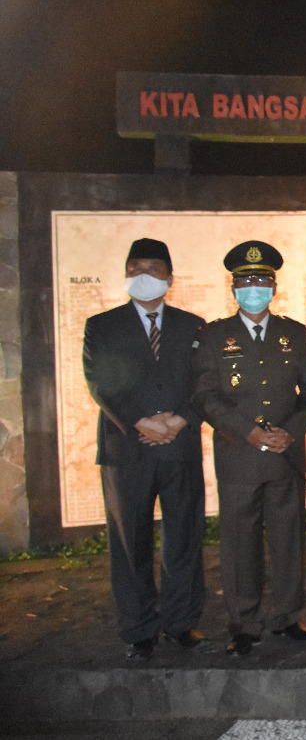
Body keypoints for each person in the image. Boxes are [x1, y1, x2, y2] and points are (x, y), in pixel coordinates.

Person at [191, 241, 306, 656]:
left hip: (285, 455)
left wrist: (291, 432)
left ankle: (285, 617)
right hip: (239, 455)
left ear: (274, 286)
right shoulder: (214, 335)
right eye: (246, 281)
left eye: (262, 280)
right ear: (233, 288)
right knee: (239, 540)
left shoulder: (294, 333)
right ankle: (243, 622)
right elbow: (204, 396)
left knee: (288, 538)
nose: (255, 287)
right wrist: (247, 431)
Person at [82, 238, 207, 659]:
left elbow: (205, 384)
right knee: (128, 541)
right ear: (125, 274)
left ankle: (181, 622)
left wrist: (177, 420)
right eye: (135, 268)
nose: (144, 277)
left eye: (154, 269)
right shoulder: (102, 325)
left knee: (183, 539)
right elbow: (99, 382)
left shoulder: (194, 326)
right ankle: (138, 627)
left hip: (180, 445)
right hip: (127, 449)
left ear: (170, 278)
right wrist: (141, 421)